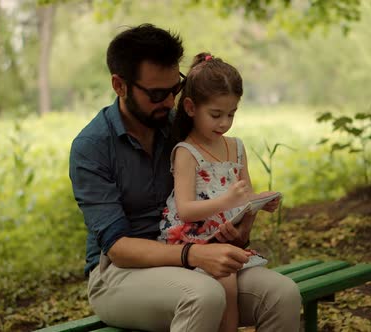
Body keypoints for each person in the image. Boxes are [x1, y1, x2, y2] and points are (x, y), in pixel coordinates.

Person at [69, 23, 301, 332]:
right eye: (156, 94)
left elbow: (217, 187)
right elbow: (118, 248)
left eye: (175, 89)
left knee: (283, 294)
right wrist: (195, 254)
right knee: (203, 296)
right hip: (120, 274)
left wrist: (235, 230)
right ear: (119, 85)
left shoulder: (180, 126)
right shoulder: (93, 147)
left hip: (194, 253)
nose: (169, 102)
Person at [158, 52, 279, 332]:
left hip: (224, 240)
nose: (224, 123)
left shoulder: (236, 147)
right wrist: (226, 200)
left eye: (231, 114)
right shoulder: (186, 153)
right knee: (226, 282)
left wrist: (260, 201)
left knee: (246, 279)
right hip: (190, 242)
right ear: (190, 107)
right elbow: (186, 209)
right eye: (216, 115)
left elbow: (243, 198)